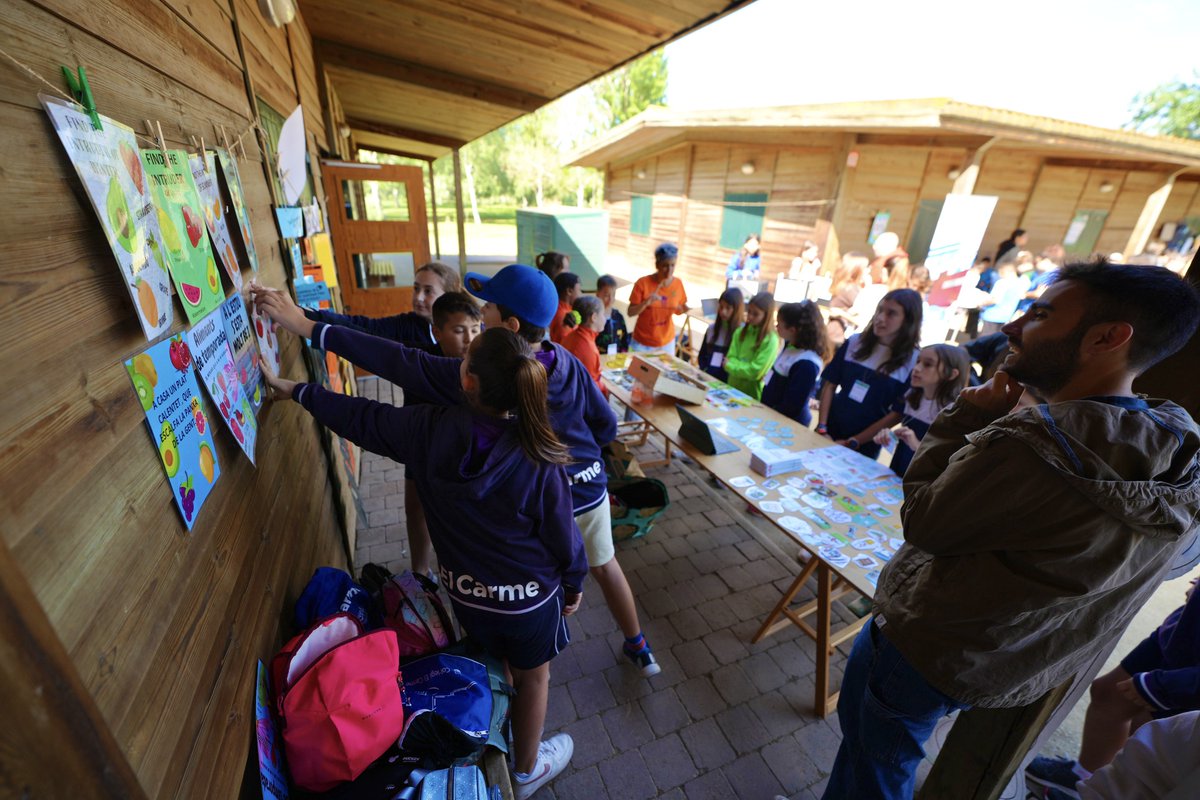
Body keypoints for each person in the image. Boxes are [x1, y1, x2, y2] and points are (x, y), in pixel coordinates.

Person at [822, 262, 1200, 800]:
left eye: (1041, 314)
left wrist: (962, 419)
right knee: (876, 754)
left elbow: (925, 521)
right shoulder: (1177, 448)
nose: (1012, 326)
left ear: (1108, 337)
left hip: (923, 647)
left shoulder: (1034, 444)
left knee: (876, 763)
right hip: (1001, 659)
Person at [256, 265, 663, 682]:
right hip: (584, 490)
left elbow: (397, 363)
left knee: (528, 619)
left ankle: (511, 685)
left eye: (486, 308)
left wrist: (307, 327)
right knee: (603, 567)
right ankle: (638, 645)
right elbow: (605, 426)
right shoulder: (567, 363)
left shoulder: (474, 380)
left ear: (510, 325)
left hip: (532, 513)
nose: (478, 314)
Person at [259, 326, 584, 799]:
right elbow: (565, 540)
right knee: (536, 676)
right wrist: (573, 584)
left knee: (497, 660)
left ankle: (496, 723)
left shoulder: (427, 430)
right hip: (529, 606)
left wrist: (299, 391)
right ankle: (526, 768)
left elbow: (362, 418)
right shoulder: (539, 455)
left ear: (467, 381)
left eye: (465, 357)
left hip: (468, 598)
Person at [1026, 578, 1200, 797]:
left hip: (1190, 674)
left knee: (1147, 736)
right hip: (1183, 631)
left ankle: (1096, 791)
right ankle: (1085, 778)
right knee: (1108, 693)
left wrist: (1171, 686)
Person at [816, 289, 923, 458]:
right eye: (880, 310)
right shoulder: (854, 342)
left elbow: (897, 413)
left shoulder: (914, 361)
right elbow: (830, 384)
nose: (880, 318)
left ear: (908, 321)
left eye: (891, 314)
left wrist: (855, 441)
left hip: (866, 443)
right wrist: (822, 427)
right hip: (829, 428)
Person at [294, 260, 460, 346]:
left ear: (449, 295)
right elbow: (365, 327)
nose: (419, 297)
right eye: (416, 289)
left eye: (428, 291)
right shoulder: (410, 324)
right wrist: (304, 314)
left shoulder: (467, 332)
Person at [874, 343, 969, 475]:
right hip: (898, 471)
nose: (916, 368)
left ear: (951, 374)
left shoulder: (955, 412)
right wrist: (889, 435)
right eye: (918, 361)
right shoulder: (912, 396)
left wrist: (916, 445)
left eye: (928, 364)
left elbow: (948, 461)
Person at [762, 300, 827, 426]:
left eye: (779, 324)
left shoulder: (807, 364)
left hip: (786, 423)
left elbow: (791, 406)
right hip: (771, 414)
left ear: (792, 330)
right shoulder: (790, 344)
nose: (776, 327)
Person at [628, 243, 689, 354]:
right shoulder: (643, 283)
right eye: (665, 265)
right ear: (657, 265)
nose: (669, 270)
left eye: (672, 265)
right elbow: (630, 312)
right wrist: (646, 303)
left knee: (666, 372)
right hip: (642, 343)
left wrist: (683, 309)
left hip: (666, 342)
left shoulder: (678, 284)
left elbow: (677, 310)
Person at [723, 292, 780, 401]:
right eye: (749, 311)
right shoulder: (740, 332)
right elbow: (730, 358)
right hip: (730, 389)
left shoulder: (771, 340)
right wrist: (744, 366)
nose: (750, 316)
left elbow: (755, 372)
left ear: (767, 315)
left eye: (755, 314)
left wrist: (732, 366)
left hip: (752, 396)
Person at [696, 287, 744, 382]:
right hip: (708, 379)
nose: (723, 312)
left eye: (728, 308)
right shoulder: (712, 329)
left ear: (737, 310)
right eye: (721, 307)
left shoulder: (742, 333)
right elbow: (702, 355)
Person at [561, 295, 606, 394]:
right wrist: (604, 388)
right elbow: (591, 388)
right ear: (594, 317)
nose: (605, 319)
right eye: (603, 314)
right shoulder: (587, 348)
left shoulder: (573, 335)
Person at [978, 262, 1029, 335]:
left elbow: (995, 300)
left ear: (1005, 272)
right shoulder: (1022, 283)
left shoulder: (1002, 282)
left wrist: (981, 303)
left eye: (1000, 273)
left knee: (985, 340)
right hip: (1006, 317)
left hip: (992, 315)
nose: (1000, 275)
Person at [593, 275, 628, 355]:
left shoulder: (618, 316)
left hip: (615, 361)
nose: (611, 299)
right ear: (597, 294)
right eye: (606, 295)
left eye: (613, 295)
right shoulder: (593, 318)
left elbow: (624, 339)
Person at [549, 272, 581, 344]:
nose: (580, 294)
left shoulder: (564, 310)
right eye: (579, 290)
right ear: (569, 291)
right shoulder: (563, 317)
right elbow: (566, 346)